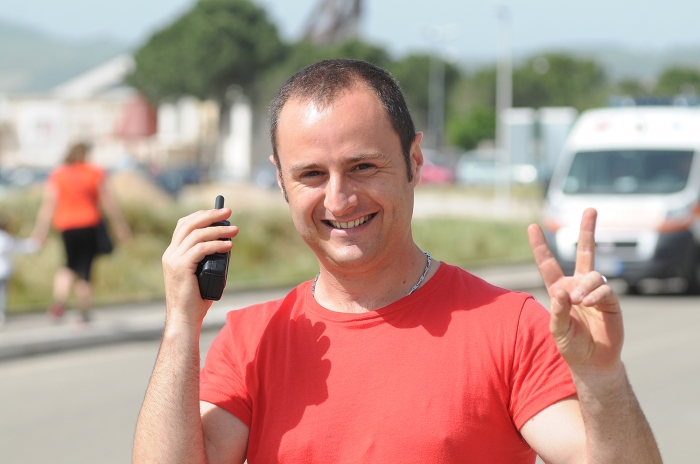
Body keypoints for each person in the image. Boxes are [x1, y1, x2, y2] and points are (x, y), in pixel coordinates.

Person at [133, 59, 662, 463]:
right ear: (280, 180)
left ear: (413, 160)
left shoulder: (510, 327)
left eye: (363, 166)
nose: (339, 200)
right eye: (312, 175)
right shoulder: (251, 340)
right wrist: (182, 325)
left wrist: (603, 379)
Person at [31, 142, 131, 323]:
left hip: (66, 226)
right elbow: (109, 202)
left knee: (69, 265)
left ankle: (59, 302)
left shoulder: (59, 174)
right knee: (85, 268)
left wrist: (40, 231)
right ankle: (84, 311)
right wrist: (120, 225)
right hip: (88, 224)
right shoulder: (94, 172)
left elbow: (48, 205)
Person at [0, 217, 39, 326]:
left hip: (3, 271)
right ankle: (1, 314)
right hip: (4, 271)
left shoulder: (6, 238)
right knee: (2, 294)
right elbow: (22, 246)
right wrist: (36, 244)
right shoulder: (7, 238)